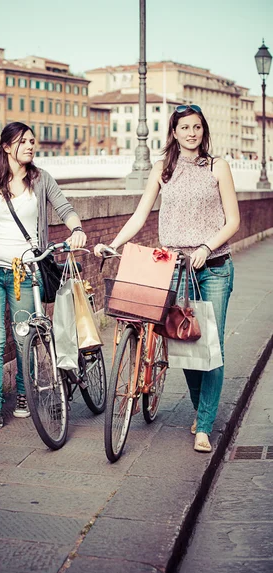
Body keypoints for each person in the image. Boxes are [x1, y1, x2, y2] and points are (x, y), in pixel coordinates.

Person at [95, 104, 240, 453]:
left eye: (197, 127)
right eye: (185, 128)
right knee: (187, 344)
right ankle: (201, 409)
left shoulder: (218, 167)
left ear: (203, 131)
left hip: (214, 267)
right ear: (174, 133)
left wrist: (207, 246)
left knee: (212, 347)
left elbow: (233, 220)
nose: (192, 133)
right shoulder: (162, 169)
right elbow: (141, 214)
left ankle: (204, 426)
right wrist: (112, 244)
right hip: (176, 267)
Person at [0, 121, 86, 434]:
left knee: (24, 339)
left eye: (32, 141)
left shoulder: (42, 179)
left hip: (24, 273)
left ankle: (25, 396)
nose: (30, 146)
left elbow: (64, 208)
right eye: (23, 142)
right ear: (6, 146)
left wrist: (76, 229)